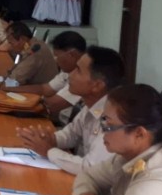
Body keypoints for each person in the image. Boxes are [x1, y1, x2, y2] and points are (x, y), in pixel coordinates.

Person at [17, 46, 126, 174]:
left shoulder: (115, 118)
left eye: (78, 70)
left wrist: (48, 151)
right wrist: (49, 139)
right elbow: (70, 134)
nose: (71, 75)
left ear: (97, 85)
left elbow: (90, 167)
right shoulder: (91, 105)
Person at [4, 31, 86, 122]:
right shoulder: (68, 70)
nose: (55, 60)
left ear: (71, 54)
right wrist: (7, 88)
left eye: (57, 56)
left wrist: (12, 99)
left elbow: (52, 104)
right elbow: (45, 89)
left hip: (60, 123)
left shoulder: (85, 77)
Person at [4, 21, 59, 86]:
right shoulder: (36, 42)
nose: (10, 46)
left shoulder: (33, 51)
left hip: (42, 89)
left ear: (22, 39)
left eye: (11, 43)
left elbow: (16, 79)